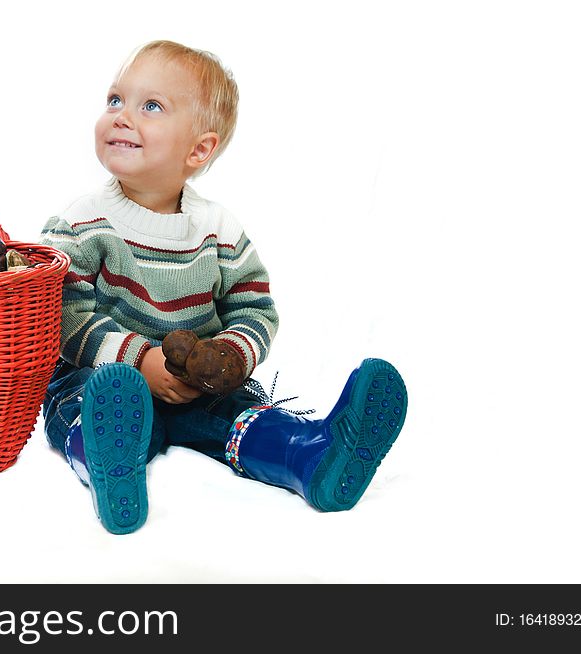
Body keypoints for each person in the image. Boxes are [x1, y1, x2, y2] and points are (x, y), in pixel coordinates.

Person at [39, 40, 407, 534]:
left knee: (238, 416)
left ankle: (311, 458)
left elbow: (255, 309)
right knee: (79, 404)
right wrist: (138, 362)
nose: (121, 116)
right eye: (114, 100)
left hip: (196, 387)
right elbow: (63, 313)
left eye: (150, 107)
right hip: (106, 380)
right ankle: (106, 464)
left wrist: (228, 359)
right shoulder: (81, 221)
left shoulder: (218, 229)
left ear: (199, 149)